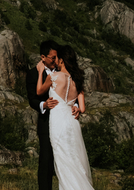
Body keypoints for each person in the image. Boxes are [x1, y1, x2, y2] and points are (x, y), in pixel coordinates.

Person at [35, 44, 94, 190]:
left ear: (61, 60)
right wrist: (76, 108)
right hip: (72, 122)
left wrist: (40, 71)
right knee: (74, 159)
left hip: (58, 123)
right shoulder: (77, 81)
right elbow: (83, 108)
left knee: (63, 160)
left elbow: (39, 91)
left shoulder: (53, 77)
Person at [26, 40, 59, 190]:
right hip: (46, 122)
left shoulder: (62, 71)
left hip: (63, 121)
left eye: (56, 57)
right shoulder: (33, 74)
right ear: (43, 57)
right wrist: (43, 105)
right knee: (46, 159)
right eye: (53, 57)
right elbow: (32, 99)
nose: (55, 60)